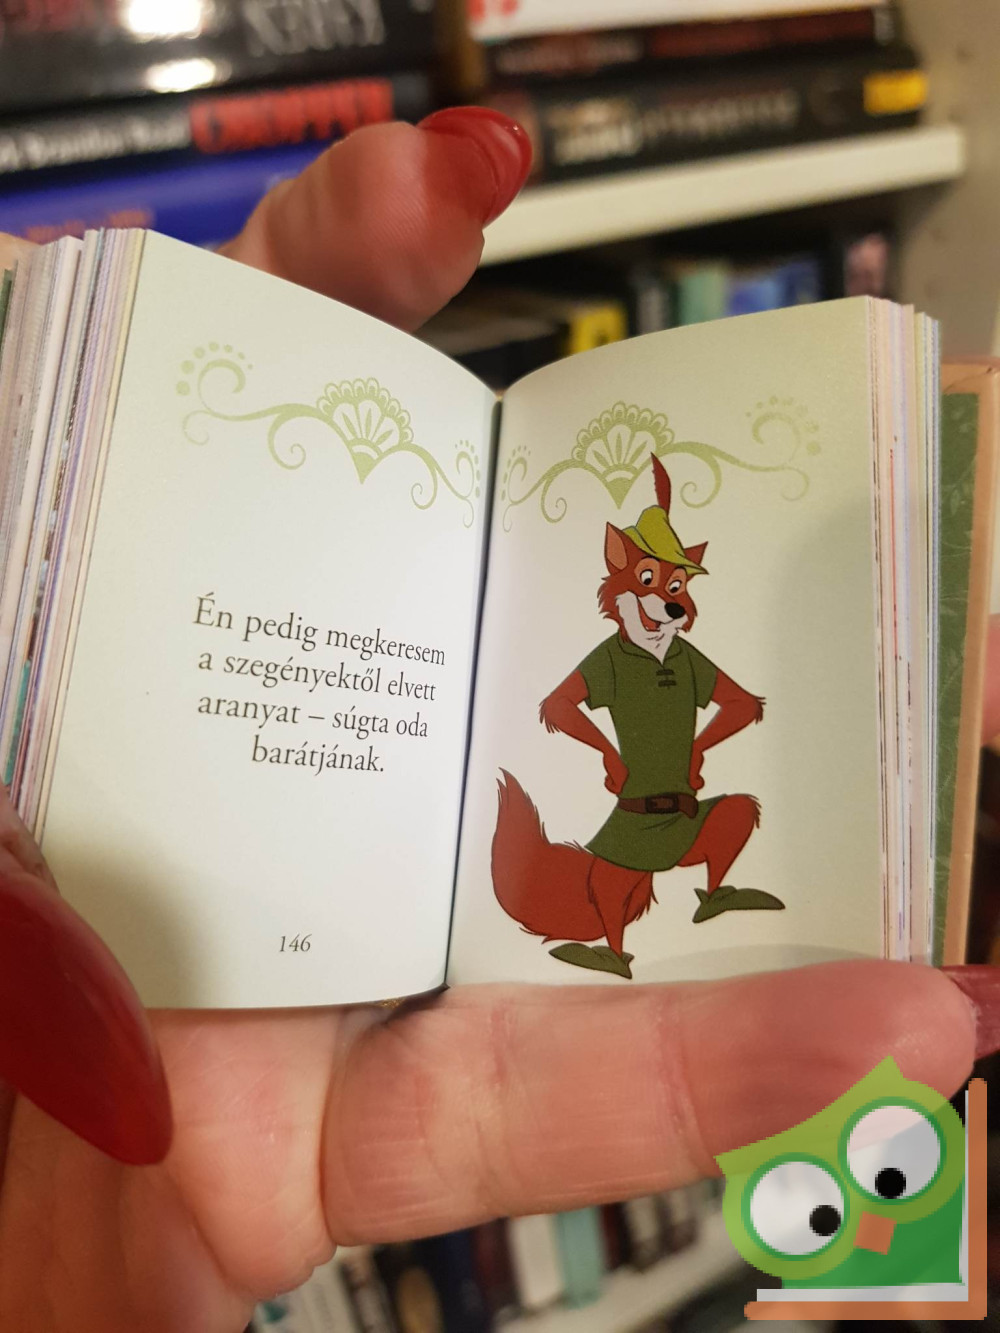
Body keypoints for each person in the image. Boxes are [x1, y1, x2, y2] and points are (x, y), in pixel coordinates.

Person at [0, 107, 998, 1333]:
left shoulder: (682, 663)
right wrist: (599, 746)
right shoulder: (608, 659)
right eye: (651, 588)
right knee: (616, 886)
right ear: (621, 593)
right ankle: (607, 927)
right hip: (626, 821)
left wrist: (723, 728)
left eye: (675, 591)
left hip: (681, 813)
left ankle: (706, 891)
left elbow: (742, 701)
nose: (664, 605)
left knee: (730, 819)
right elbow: (552, 704)